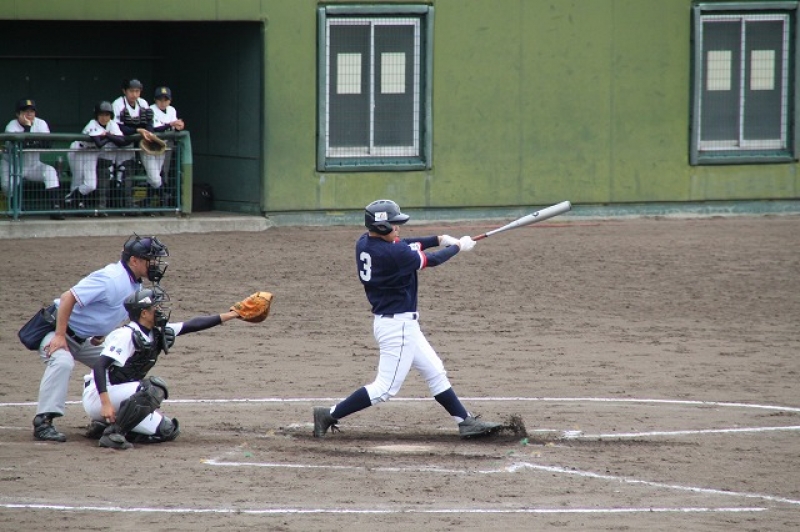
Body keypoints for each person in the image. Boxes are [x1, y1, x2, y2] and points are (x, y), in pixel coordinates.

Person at [313, 199, 503, 439]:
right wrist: (458, 246)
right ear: (382, 227)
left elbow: (406, 244)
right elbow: (431, 260)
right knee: (385, 388)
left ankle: (465, 421)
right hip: (398, 326)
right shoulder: (393, 254)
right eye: (394, 224)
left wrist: (438, 239)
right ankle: (329, 414)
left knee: (435, 371)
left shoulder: (365, 242)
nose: (398, 228)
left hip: (399, 323)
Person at [31, 234, 169, 442]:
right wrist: (59, 335)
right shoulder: (110, 278)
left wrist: (99, 335)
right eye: (151, 260)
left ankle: (112, 417)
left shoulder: (135, 285)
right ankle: (43, 422)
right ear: (134, 260)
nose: (155, 265)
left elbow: (108, 311)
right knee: (62, 362)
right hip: (55, 329)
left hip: (82, 339)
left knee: (121, 363)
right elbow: (68, 298)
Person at [83, 285, 243, 449]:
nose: (160, 310)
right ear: (144, 313)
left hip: (121, 396)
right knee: (153, 388)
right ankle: (113, 434)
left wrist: (233, 314)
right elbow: (99, 366)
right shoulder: (126, 335)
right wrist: (106, 404)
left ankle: (103, 427)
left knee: (167, 430)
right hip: (99, 396)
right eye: (156, 307)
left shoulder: (155, 331)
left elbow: (193, 325)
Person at [1, 99, 64, 220]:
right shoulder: (11, 126)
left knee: (50, 171)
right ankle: (15, 208)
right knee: (7, 186)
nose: (29, 113)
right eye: (25, 111)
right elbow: (20, 146)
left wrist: (29, 142)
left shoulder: (41, 123)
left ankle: (55, 208)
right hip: (12, 165)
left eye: (32, 111)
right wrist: (28, 129)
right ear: (18, 114)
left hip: (33, 165)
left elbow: (47, 144)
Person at [65, 101, 131, 212]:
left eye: (107, 115)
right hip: (78, 151)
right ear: (96, 115)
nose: (104, 118)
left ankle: (69, 199)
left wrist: (107, 135)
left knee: (91, 185)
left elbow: (122, 141)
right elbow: (99, 143)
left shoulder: (112, 124)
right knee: (78, 179)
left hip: (92, 153)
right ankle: (76, 204)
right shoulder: (92, 124)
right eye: (101, 114)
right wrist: (111, 137)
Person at [111, 79, 159, 210]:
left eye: (137, 91)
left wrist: (149, 133)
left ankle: (129, 204)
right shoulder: (118, 104)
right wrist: (137, 130)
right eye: (131, 91)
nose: (134, 94)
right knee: (121, 173)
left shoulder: (143, 103)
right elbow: (118, 127)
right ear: (124, 91)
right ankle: (120, 204)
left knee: (132, 173)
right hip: (120, 144)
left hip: (138, 144)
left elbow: (149, 122)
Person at [148, 86, 185, 208]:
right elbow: (155, 128)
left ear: (170, 100)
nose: (163, 102)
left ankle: (155, 201)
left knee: (161, 173)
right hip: (151, 146)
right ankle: (160, 197)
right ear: (155, 99)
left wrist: (178, 126)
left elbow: (174, 127)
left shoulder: (171, 110)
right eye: (160, 99)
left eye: (166, 99)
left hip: (165, 146)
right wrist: (170, 124)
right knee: (154, 175)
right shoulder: (151, 109)